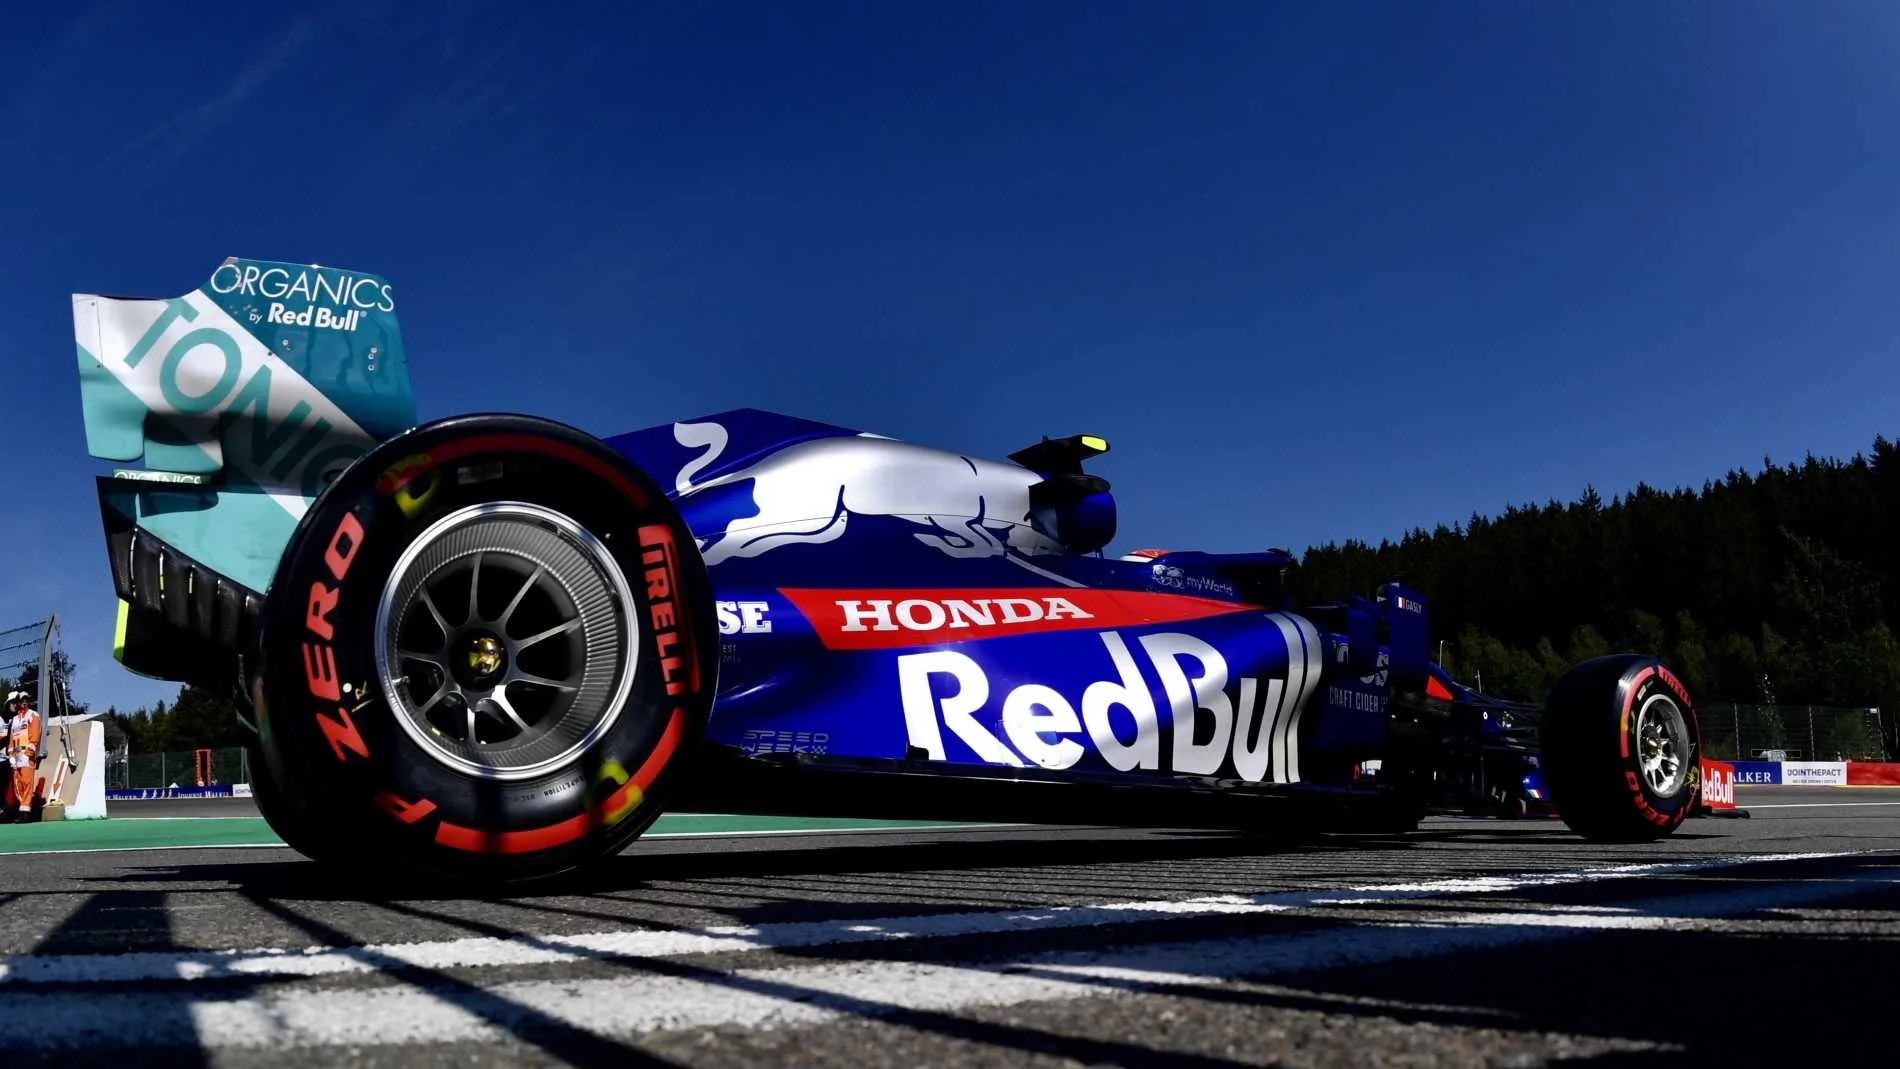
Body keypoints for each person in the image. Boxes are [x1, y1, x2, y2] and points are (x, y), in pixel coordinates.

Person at [4, 691, 40, 820]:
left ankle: (26, 812)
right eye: (22, 700)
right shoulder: (14, 719)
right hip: (16, 755)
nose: (24, 702)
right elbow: (12, 739)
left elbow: (35, 736)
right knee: (17, 783)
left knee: (26, 782)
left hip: (26, 755)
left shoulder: (33, 715)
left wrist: (29, 753)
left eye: (26, 699)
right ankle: (21, 809)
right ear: (18, 703)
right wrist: (11, 755)